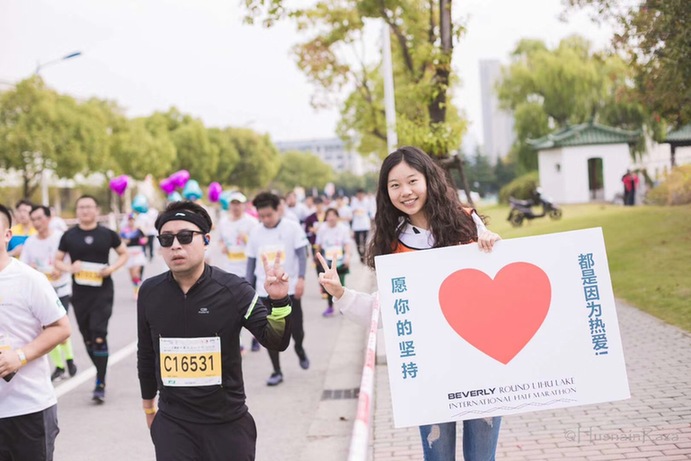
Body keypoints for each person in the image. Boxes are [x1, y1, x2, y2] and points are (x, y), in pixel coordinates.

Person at [316, 146, 502, 461]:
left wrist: (495, 246)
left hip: (480, 361)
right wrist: (340, 293)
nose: (406, 191)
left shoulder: (468, 225)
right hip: (429, 370)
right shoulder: (394, 244)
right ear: (385, 192)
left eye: (412, 181)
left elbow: (498, 289)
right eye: (395, 185)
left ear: (429, 180)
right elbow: (386, 311)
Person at [137, 201, 293, 461]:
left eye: (186, 237)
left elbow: (276, 340)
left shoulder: (234, 289)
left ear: (206, 240)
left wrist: (278, 301)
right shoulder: (150, 292)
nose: (176, 245)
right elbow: (146, 354)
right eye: (166, 239)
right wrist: (149, 410)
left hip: (227, 424)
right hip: (174, 424)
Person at [0, 203, 71, 461]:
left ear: (7, 235)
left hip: (27, 409)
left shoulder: (29, 279)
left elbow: (61, 327)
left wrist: (19, 356)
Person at [54, 195, 128, 403]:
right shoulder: (69, 236)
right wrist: (70, 268)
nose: (85, 211)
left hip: (102, 292)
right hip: (80, 293)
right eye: (81, 207)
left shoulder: (107, 234)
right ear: (77, 211)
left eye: (89, 207)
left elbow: (123, 254)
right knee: (87, 336)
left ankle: (100, 383)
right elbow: (57, 261)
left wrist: (111, 268)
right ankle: (100, 369)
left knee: (98, 335)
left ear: (97, 210)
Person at [246, 192, 310, 386]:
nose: (265, 219)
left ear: (278, 210)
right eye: (262, 216)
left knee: (296, 329)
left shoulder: (292, 227)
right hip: (264, 291)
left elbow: (301, 255)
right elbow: (251, 262)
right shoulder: (256, 232)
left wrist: (301, 279)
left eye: (269, 215)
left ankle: (299, 347)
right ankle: (277, 370)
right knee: (271, 334)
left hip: (288, 290)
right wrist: (249, 288)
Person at [20, 205, 78, 381]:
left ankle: (69, 360)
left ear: (48, 218)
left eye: (40, 218)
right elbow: (24, 264)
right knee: (45, 328)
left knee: (59, 326)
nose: (37, 223)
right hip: (41, 292)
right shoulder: (30, 242)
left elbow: (70, 261)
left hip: (60, 288)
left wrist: (61, 270)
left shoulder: (60, 238)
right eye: (34, 219)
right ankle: (60, 366)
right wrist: (33, 269)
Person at [314, 207, 351, 317]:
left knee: (341, 283)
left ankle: (343, 306)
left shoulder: (343, 229)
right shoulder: (322, 228)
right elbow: (318, 244)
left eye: (333, 215)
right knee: (328, 285)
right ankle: (330, 306)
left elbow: (347, 244)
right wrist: (316, 258)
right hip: (327, 261)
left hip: (340, 260)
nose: (331, 218)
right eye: (329, 215)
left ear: (337, 217)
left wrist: (347, 257)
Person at [120, 213, 148, 299]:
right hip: (129, 253)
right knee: (133, 276)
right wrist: (125, 241)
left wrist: (142, 241)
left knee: (136, 273)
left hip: (138, 252)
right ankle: (136, 289)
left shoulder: (138, 230)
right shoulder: (124, 231)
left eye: (132, 220)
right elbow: (120, 242)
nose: (131, 222)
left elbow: (145, 238)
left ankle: (138, 291)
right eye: (129, 220)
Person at [350, 189, 373, 263]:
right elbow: (352, 211)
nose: (360, 196)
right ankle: (360, 254)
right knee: (357, 242)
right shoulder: (354, 201)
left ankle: (364, 255)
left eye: (361, 194)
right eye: (358, 195)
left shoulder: (367, 201)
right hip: (356, 225)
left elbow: (371, 211)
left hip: (365, 224)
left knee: (364, 241)